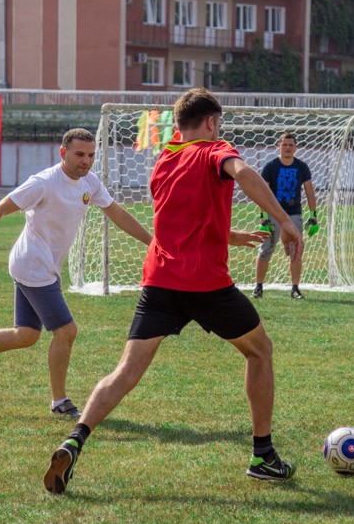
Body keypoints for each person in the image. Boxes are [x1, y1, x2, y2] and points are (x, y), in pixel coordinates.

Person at [42, 88, 304, 495]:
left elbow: (184, 219)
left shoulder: (165, 159)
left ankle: (74, 440)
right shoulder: (215, 150)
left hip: (160, 282)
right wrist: (285, 220)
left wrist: (229, 235)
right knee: (260, 350)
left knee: (125, 372)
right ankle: (263, 456)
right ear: (211, 123)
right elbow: (244, 173)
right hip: (206, 284)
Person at [0, 128, 153, 417]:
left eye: (91, 155)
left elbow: (118, 214)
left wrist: (153, 243)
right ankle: (59, 402)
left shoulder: (90, 182)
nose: (86, 161)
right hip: (33, 265)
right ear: (63, 153)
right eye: (79, 154)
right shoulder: (44, 183)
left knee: (26, 335)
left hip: (42, 265)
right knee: (66, 331)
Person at [252, 132, 319, 300]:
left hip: (294, 214)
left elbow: (310, 192)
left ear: (295, 147)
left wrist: (313, 215)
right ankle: (258, 287)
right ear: (278, 146)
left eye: (291, 145)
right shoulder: (270, 166)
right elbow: (262, 193)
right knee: (266, 249)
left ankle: (295, 289)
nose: (288, 148)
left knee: (297, 250)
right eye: (285, 144)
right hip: (273, 214)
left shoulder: (302, 167)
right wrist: (264, 217)